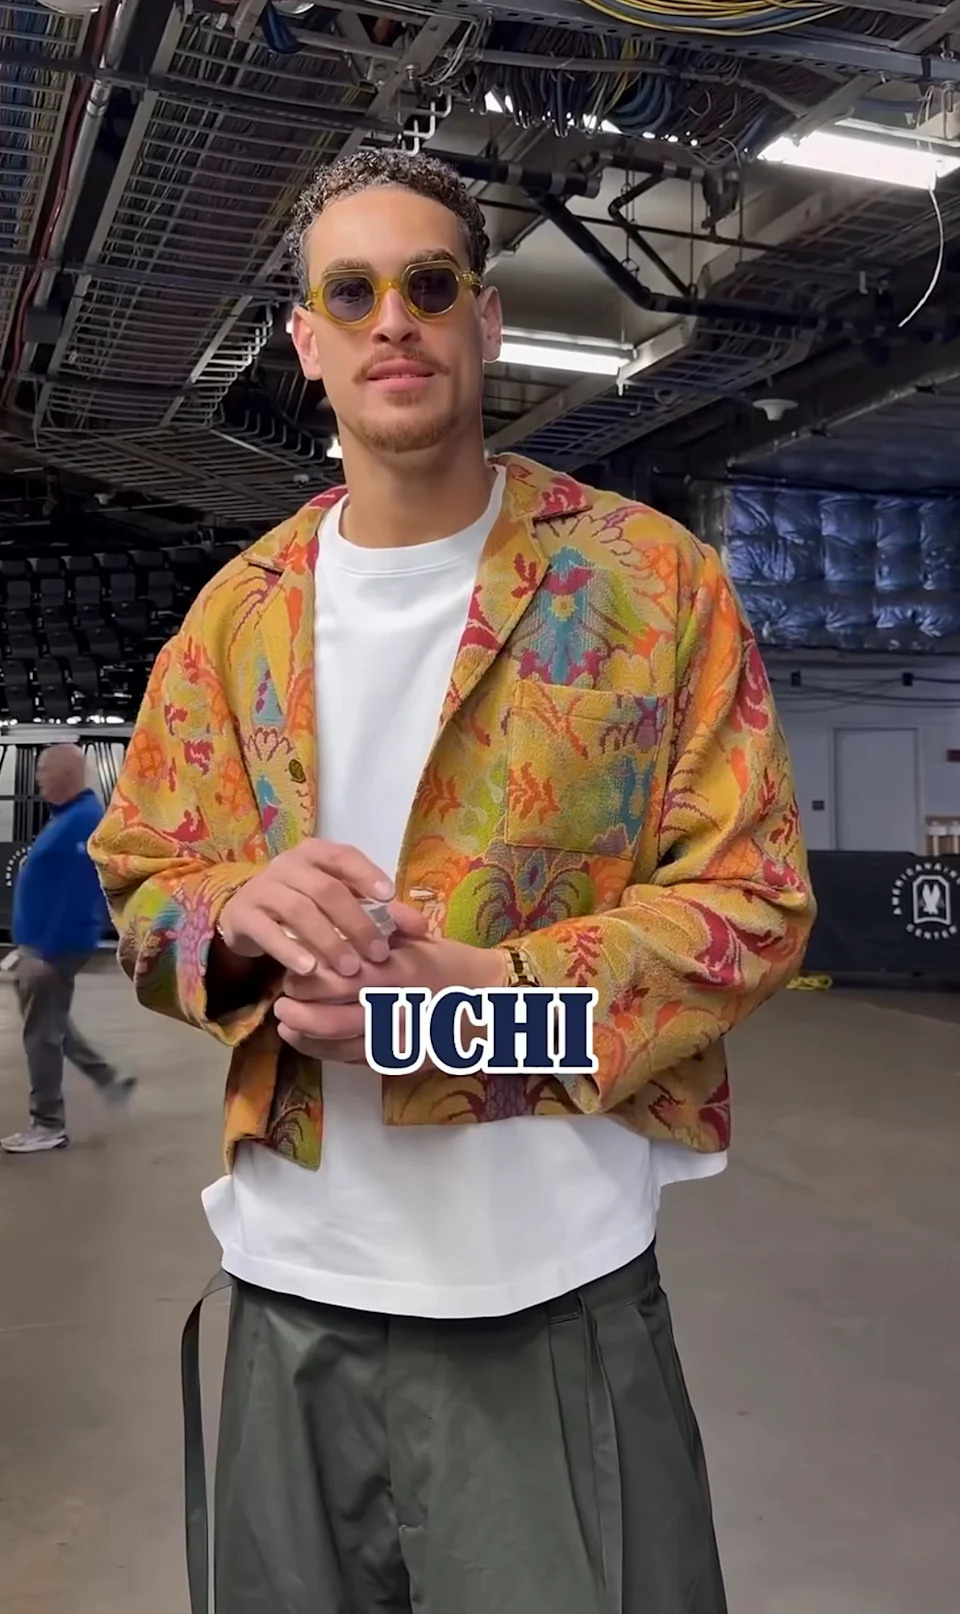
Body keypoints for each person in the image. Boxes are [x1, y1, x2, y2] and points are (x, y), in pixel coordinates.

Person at [89, 150, 814, 1614]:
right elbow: (144, 888)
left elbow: (752, 903)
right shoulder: (232, 622)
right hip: (293, 1294)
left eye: (429, 285)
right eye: (352, 293)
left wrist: (478, 1008)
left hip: (546, 1299)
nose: (393, 321)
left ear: (485, 320)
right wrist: (232, 919)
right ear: (306, 342)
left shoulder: (648, 584)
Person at [2, 744, 134, 1155]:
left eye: (44, 770)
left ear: (65, 774)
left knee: (41, 1034)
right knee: (52, 1021)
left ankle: (47, 1124)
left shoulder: (83, 821)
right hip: (42, 947)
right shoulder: (68, 816)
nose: (38, 777)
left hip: (52, 950)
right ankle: (108, 1079)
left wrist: (43, 951)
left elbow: (77, 895)